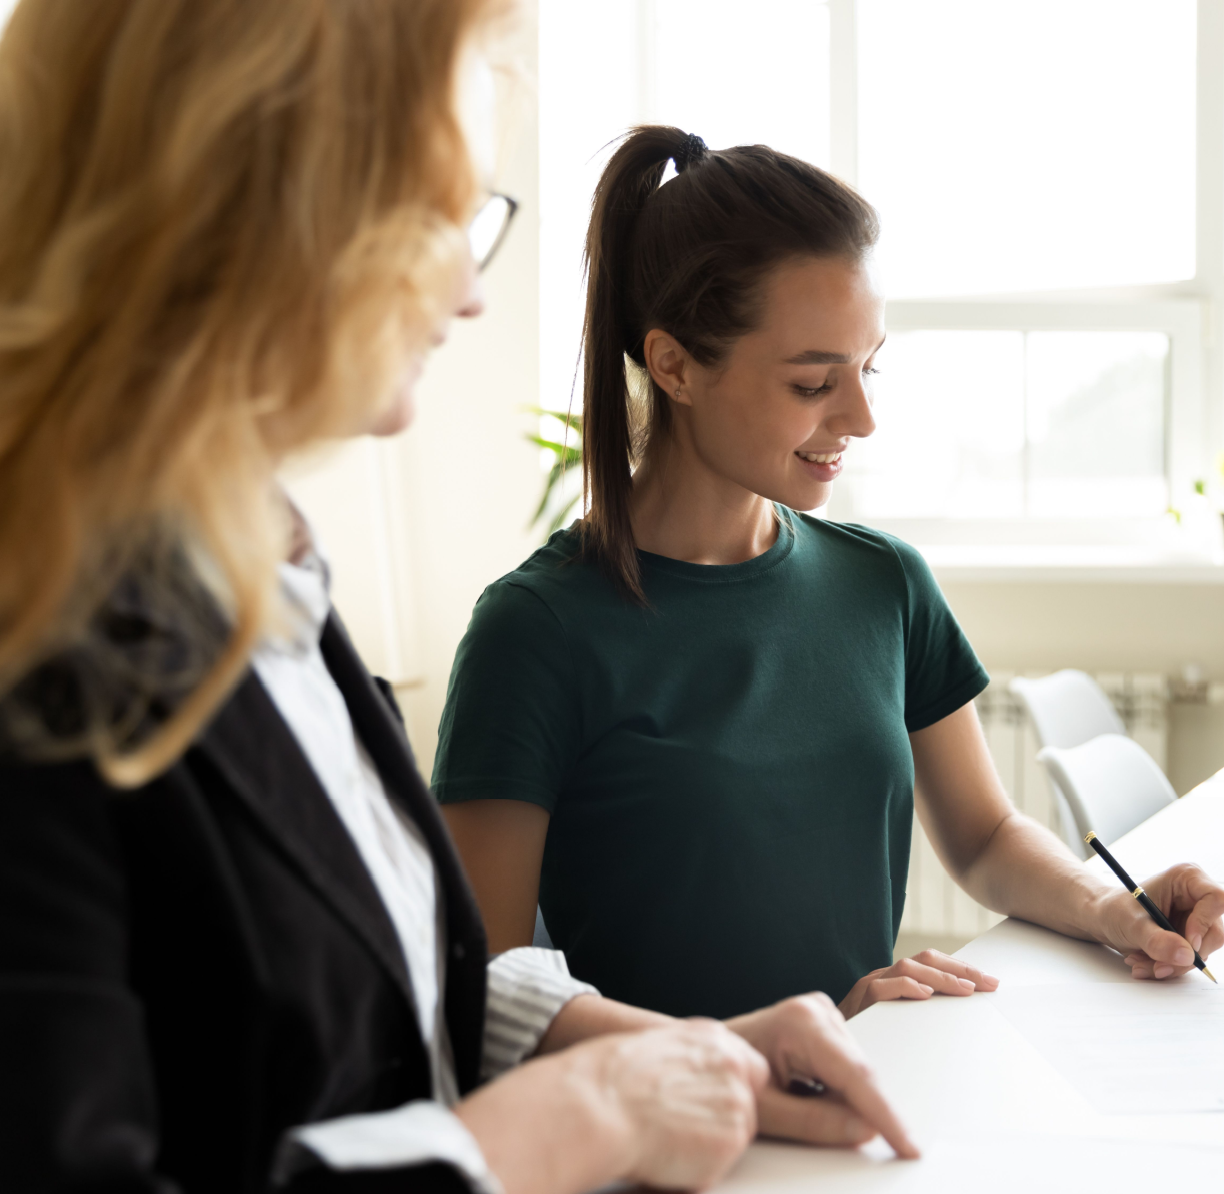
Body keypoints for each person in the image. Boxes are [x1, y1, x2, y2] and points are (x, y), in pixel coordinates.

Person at [0, 6, 914, 1193]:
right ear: (243, 204)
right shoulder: (37, 648)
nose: (470, 297)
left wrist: (682, 1053)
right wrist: (570, 1118)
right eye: (437, 220)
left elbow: (399, 974)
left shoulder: (256, 566)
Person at [433, 126, 1224, 1023]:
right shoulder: (536, 631)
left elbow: (983, 837)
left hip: (860, 1103)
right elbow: (486, 997)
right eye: (814, 384)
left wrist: (1107, 906)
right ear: (675, 366)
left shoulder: (883, 583)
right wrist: (773, 1048)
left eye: (868, 368)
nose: (861, 416)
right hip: (676, 1141)